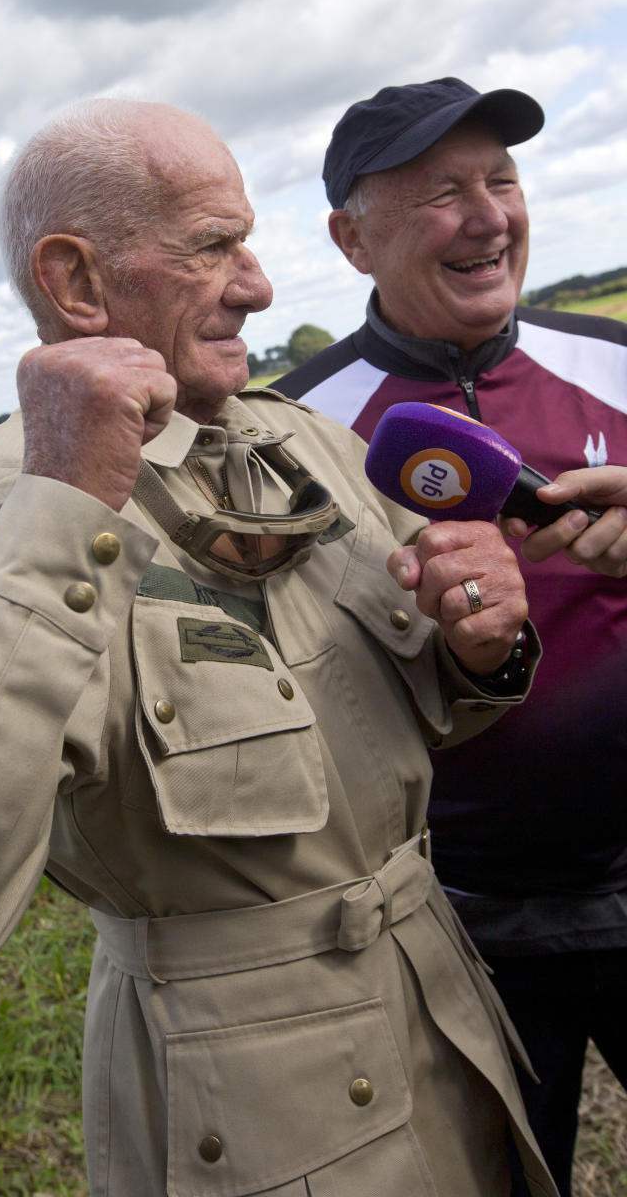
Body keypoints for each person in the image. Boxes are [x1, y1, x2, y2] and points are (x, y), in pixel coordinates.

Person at [0, 98, 557, 1197]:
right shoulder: (25, 501)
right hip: (258, 1109)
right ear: (76, 283)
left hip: (443, 1012)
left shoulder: (303, 444)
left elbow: (397, 704)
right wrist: (66, 501)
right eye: (214, 247)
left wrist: (480, 648)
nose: (259, 285)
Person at [274, 77, 627, 1197]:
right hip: (455, 922)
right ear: (351, 238)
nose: (486, 216)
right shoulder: (295, 435)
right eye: (441, 192)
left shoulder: (614, 360)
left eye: (502, 180)